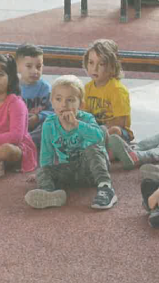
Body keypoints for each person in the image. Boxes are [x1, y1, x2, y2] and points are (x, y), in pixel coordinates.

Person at [24, 75, 116, 210]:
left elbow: (98, 138)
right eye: (58, 99)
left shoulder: (86, 118)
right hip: (69, 170)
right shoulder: (49, 124)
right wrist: (45, 172)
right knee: (43, 170)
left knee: (92, 148)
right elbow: (47, 154)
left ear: (81, 104)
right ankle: (50, 194)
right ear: (52, 102)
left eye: (70, 100)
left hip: (91, 169)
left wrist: (76, 124)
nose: (63, 104)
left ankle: (106, 189)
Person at [82, 39, 133, 145]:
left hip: (118, 131)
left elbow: (121, 121)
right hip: (95, 130)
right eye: (91, 62)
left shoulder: (117, 90)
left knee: (115, 131)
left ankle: (113, 150)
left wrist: (102, 129)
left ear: (112, 67)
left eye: (101, 64)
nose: (94, 68)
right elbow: (84, 114)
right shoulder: (87, 88)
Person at [15, 43, 53, 153]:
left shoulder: (46, 88)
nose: (34, 71)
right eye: (29, 66)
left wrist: (39, 117)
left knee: (49, 126)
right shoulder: (11, 88)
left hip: (37, 127)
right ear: (18, 66)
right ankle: (23, 144)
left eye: (38, 67)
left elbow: (54, 112)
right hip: (17, 126)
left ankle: (25, 144)